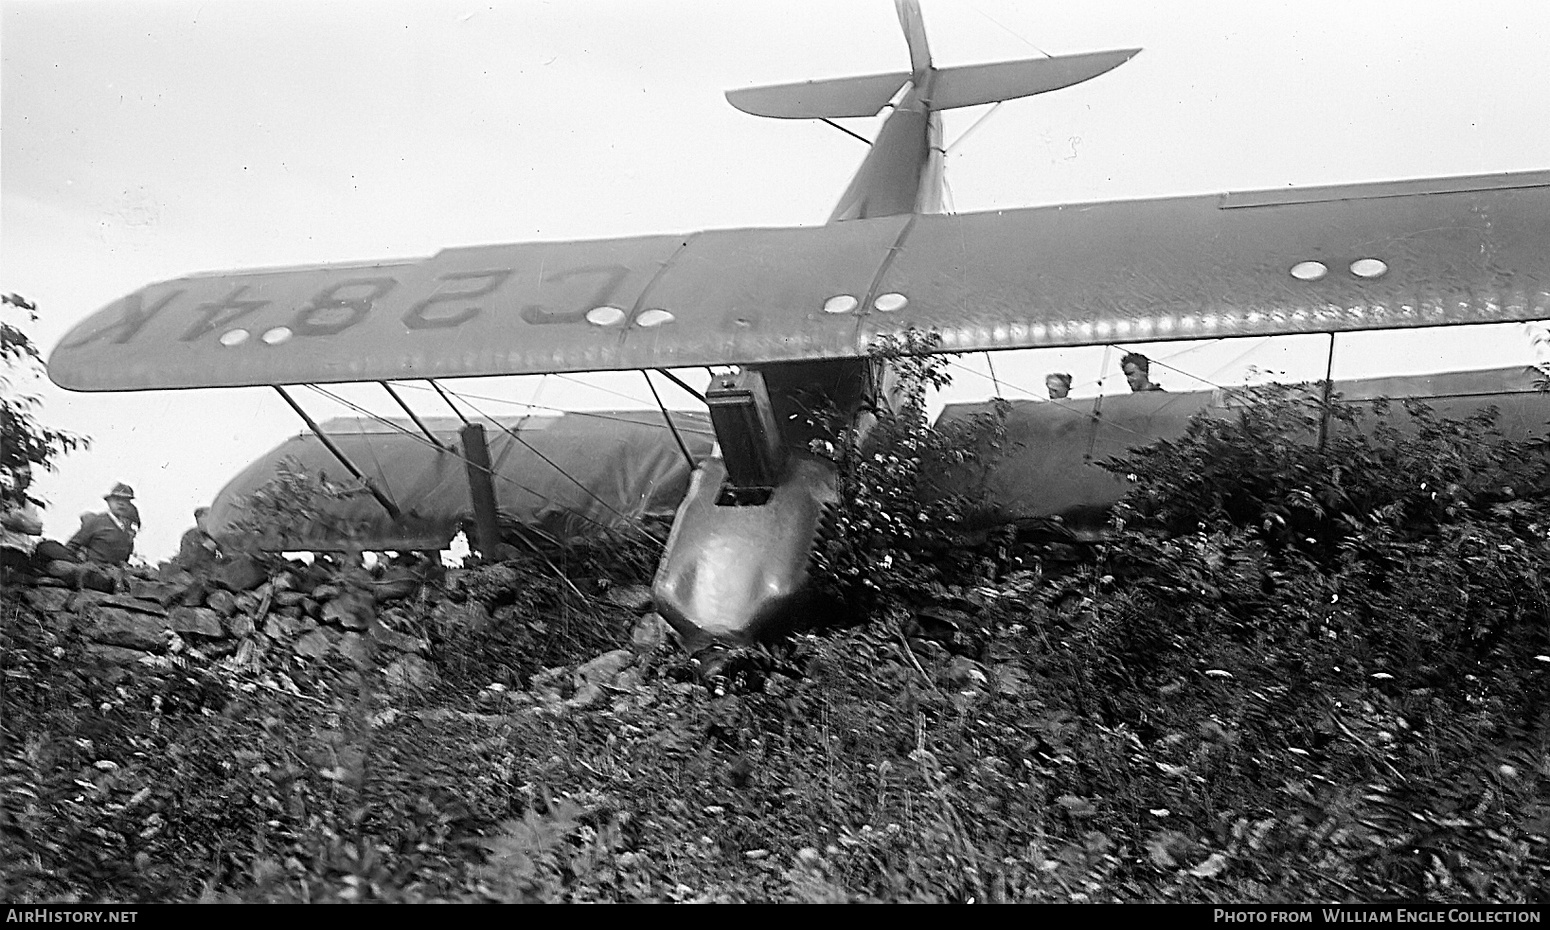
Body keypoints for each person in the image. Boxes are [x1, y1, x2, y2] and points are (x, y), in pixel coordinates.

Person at [65, 482, 139, 565]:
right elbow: (71, 546)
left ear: (129, 505)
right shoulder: (96, 522)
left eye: (125, 501)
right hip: (94, 572)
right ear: (109, 502)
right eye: (117, 499)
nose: (121, 503)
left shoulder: (128, 530)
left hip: (116, 574)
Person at [1, 463, 45, 582]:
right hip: (6, 548)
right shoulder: (4, 500)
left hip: (24, 550)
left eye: (29, 477)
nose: (27, 481)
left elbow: (37, 528)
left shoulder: (27, 503)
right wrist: (24, 524)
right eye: (25, 476)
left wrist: (16, 523)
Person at [175, 506, 224, 572]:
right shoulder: (194, 534)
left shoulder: (210, 533)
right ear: (201, 518)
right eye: (209, 516)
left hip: (204, 569)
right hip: (195, 570)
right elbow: (212, 546)